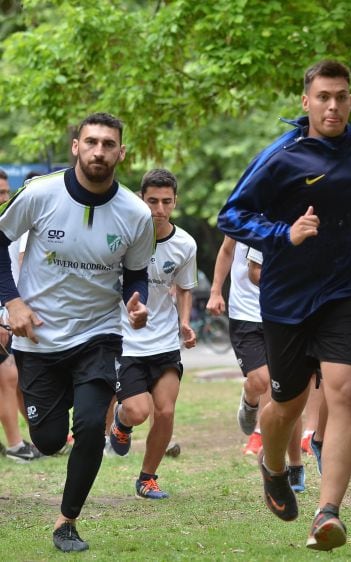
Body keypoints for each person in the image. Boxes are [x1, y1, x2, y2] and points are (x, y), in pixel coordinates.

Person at [218, 59, 351, 551]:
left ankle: (328, 512)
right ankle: (272, 465)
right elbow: (231, 214)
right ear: (306, 101)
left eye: (341, 96)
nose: (332, 105)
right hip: (287, 300)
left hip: (344, 291)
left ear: (350, 99)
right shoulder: (280, 156)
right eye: (323, 97)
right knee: (284, 406)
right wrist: (282, 234)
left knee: (345, 391)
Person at [0, 112, 155, 552]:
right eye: (91, 142)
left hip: (98, 333)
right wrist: (13, 302)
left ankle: (67, 521)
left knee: (89, 426)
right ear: (76, 147)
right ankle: (61, 400)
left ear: (120, 153)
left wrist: (135, 300)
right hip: (40, 336)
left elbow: (136, 273)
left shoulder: (136, 214)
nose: (99, 151)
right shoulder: (40, 193)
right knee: (48, 441)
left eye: (109, 144)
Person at [106, 169, 197, 501]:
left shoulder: (185, 243)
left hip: (164, 342)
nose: (159, 209)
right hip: (127, 341)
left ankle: (147, 478)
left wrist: (185, 323)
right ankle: (121, 420)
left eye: (166, 201)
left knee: (166, 411)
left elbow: (185, 288)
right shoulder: (124, 238)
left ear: (175, 202)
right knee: (138, 411)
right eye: (152, 201)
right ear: (141, 200)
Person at [244, 246, 308, 490]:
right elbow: (253, 269)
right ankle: (274, 460)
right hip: (275, 318)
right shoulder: (267, 220)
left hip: (309, 317)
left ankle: (295, 464)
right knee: (283, 396)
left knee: (298, 395)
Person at [206, 236, 272, 456]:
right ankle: (249, 399)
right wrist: (216, 291)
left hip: (279, 311)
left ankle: (263, 434)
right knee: (259, 380)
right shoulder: (244, 207)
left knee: (274, 378)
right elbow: (226, 251)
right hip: (245, 311)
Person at [0, 169, 42, 462]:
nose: (3, 199)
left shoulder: (10, 227)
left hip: (7, 313)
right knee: (9, 375)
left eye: (5, 193)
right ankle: (16, 444)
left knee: (9, 376)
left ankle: (18, 443)